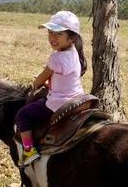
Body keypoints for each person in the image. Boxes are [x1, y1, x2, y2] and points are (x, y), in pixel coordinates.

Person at [15, 11, 87, 166]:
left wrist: (35, 85)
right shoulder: (74, 52)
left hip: (59, 103)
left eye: (59, 34)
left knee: (23, 115)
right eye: (50, 33)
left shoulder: (56, 57)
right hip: (77, 98)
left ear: (72, 37)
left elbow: (41, 79)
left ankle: (28, 151)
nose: (53, 38)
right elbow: (63, 79)